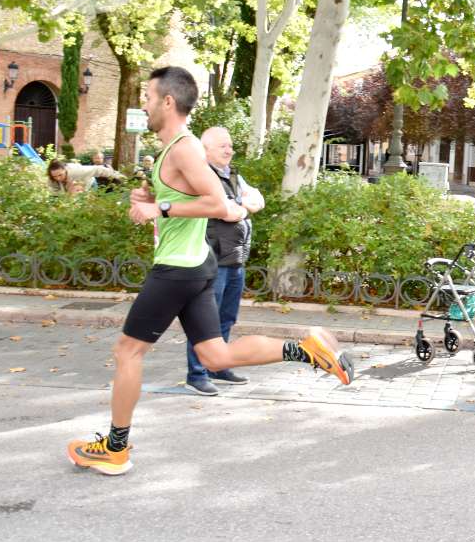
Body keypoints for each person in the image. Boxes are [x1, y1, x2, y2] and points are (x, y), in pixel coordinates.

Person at [66, 67, 354, 476]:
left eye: (148, 96)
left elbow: (218, 203)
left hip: (178, 268)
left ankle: (115, 449)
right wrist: (149, 196)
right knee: (214, 354)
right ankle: (305, 350)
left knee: (127, 352)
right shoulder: (171, 150)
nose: (143, 104)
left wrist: (159, 208)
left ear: (168, 102)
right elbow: (181, 197)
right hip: (197, 262)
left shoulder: (183, 147)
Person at [183, 126, 266, 396]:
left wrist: (242, 206)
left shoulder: (232, 175)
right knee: (204, 320)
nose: (229, 150)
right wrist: (241, 207)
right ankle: (196, 374)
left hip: (234, 259)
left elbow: (258, 200)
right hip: (211, 260)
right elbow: (224, 211)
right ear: (205, 150)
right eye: (223, 146)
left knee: (226, 318)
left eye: (230, 145)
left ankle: (218, 366)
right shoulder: (200, 176)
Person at [47, 158, 125, 193]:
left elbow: (98, 169)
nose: (58, 178)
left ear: (65, 170)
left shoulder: (77, 171)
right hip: (70, 191)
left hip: (90, 185)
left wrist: (119, 176)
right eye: (55, 176)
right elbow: (54, 192)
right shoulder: (51, 179)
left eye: (60, 175)